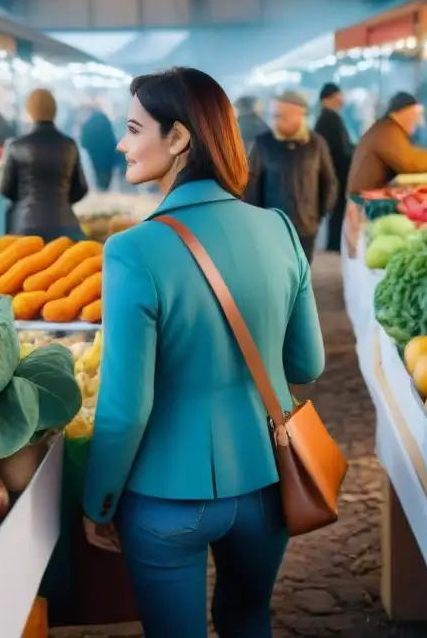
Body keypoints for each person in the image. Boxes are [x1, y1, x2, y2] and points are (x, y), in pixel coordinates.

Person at [82, 67, 325, 638]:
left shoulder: (132, 250)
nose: (121, 142)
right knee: (247, 621)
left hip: (164, 496)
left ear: (179, 138)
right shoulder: (279, 229)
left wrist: (98, 501)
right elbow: (306, 365)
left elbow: (124, 406)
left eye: (133, 127)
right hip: (267, 482)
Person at [244, 90, 337, 265]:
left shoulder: (316, 144)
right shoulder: (263, 143)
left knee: (302, 270)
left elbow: (329, 182)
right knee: (275, 272)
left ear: (299, 114)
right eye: (275, 115)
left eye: (282, 116)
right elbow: (251, 185)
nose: (276, 120)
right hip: (273, 227)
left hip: (306, 225)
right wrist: (258, 220)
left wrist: (319, 214)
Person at [0, 88, 88, 241]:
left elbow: (6, 190)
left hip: (25, 227)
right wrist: (61, 201)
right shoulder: (69, 145)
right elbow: (80, 188)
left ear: (29, 111)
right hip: (66, 226)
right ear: (55, 110)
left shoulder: (15, 146)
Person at [347, 92, 427, 194]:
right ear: (402, 112)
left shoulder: (387, 129)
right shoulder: (387, 132)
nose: (417, 120)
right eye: (414, 114)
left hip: (366, 197)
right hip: (365, 201)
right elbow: (408, 163)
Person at [313, 83, 354, 252]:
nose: (342, 100)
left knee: (336, 215)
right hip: (337, 175)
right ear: (328, 98)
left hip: (334, 174)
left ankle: (334, 246)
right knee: (337, 215)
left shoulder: (326, 118)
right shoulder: (330, 119)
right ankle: (334, 247)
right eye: (339, 95)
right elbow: (339, 150)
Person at [79, 101, 119, 191]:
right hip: (108, 158)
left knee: (97, 181)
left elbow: (84, 142)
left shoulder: (88, 124)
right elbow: (113, 139)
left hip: (94, 158)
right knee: (105, 182)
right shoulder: (105, 120)